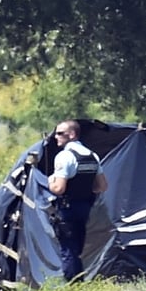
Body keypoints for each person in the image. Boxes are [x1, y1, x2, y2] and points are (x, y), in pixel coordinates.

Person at [48, 119, 109, 282]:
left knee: (69, 249)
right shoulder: (92, 155)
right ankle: (79, 282)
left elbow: (59, 189)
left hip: (67, 209)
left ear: (72, 134)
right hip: (85, 207)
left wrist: (50, 182)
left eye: (60, 133)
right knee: (78, 249)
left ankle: (73, 285)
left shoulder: (65, 156)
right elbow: (102, 186)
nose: (56, 137)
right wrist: (84, 188)